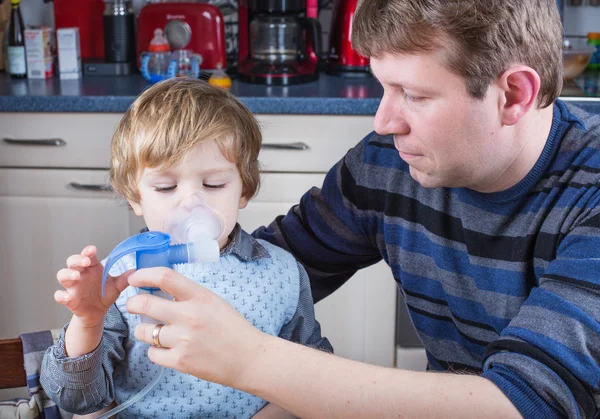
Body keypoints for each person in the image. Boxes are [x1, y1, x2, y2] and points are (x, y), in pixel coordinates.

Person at [113, 0, 600, 418]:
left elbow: (524, 405)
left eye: (413, 94)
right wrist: (92, 333)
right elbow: (257, 272)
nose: (384, 120)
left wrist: (252, 362)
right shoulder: (386, 165)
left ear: (514, 94)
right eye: (383, 87)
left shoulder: (590, 196)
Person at [39, 78, 332, 419]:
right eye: (165, 187)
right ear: (136, 196)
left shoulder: (281, 273)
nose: (191, 202)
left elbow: (314, 380)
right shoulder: (119, 276)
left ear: (244, 188)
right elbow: (78, 401)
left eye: (214, 184)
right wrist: (88, 320)